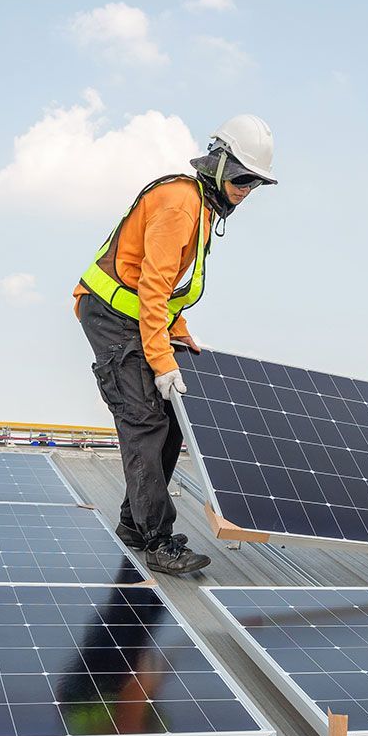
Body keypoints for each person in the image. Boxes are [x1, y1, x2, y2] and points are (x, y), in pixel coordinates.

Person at [73, 115, 277, 575]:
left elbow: (166, 290)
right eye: (242, 178)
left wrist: (178, 327)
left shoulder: (201, 208)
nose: (245, 190)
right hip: (110, 315)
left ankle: (134, 522)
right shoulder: (181, 205)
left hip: (136, 315)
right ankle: (157, 540)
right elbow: (152, 286)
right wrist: (162, 360)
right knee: (143, 418)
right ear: (218, 164)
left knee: (172, 418)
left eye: (254, 183)